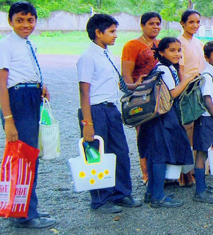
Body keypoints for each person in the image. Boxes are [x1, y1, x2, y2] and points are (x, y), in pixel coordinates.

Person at [0, 1, 57, 229]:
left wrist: (40, 85)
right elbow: (2, 84)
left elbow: (26, 71)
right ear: (10, 21)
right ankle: (24, 216)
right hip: (17, 101)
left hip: (31, 96)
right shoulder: (4, 45)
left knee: (29, 155)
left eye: (30, 20)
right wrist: (9, 120)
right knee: (23, 156)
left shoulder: (29, 44)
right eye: (19, 20)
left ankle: (26, 207)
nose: (25, 24)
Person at [77, 14, 143, 214]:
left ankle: (121, 193)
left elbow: (112, 84)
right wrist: (87, 122)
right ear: (98, 33)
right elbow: (84, 91)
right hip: (95, 110)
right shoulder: (87, 57)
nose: (116, 35)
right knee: (96, 154)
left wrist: (133, 86)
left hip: (111, 109)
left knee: (120, 151)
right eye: (111, 31)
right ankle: (100, 200)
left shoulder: (107, 54)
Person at [138, 37, 197, 208]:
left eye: (179, 50)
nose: (177, 54)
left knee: (155, 155)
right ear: (162, 52)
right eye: (172, 50)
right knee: (160, 156)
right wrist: (188, 79)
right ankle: (158, 196)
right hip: (163, 117)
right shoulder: (164, 69)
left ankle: (151, 193)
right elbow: (172, 93)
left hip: (155, 117)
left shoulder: (163, 67)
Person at [121, 11, 162, 184]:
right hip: (141, 96)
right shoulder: (132, 45)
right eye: (151, 23)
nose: (155, 27)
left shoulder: (160, 44)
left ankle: (160, 171)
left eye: (158, 23)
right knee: (143, 135)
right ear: (142, 25)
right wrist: (133, 96)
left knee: (159, 133)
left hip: (159, 96)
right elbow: (126, 75)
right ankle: (146, 174)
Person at [192, 41, 213, 203]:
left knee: (205, 152)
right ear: (207, 57)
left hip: (211, 117)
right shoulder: (207, 75)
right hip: (207, 118)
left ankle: (203, 187)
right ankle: (200, 191)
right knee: (201, 153)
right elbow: (207, 99)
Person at [177, 9, 205, 187]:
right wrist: (183, 88)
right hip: (185, 90)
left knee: (195, 129)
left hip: (198, 89)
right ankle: (183, 173)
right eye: (191, 22)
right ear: (182, 24)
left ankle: (194, 169)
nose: (195, 25)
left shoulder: (198, 42)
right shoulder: (179, 42)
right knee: (185, 130)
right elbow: (180, 69)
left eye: (197, 22)